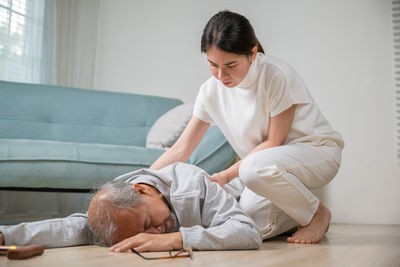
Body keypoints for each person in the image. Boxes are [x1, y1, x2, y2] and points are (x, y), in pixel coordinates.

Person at [150, 10, 344, 244]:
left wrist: (225, 175)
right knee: (247, 222)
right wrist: (136, 182)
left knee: (251, 170)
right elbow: (180, 149)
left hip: (316, 153)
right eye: (213, 64)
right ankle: (297, 206)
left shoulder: (275, 74)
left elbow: (274, 142)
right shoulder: (210, 91)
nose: (221, 75)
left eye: (231, 64)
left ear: (252, 54)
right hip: (264, 170)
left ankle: (317, 214)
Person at [0, 162, 262, 252]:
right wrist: (7, 235)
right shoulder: (122, 197)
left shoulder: (192, 185)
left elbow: (248, 232)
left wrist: (176, 239)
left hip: (253, 203)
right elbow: (77, 225)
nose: (154, 234)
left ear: (144, 191)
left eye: (147, 225)